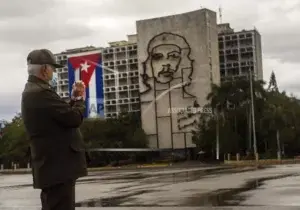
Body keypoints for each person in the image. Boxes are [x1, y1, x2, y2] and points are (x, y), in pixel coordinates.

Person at [21, 49, 88, 210]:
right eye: (53, 68)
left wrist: (72, 100)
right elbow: (73, 119)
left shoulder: (35, 91)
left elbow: (60, 116)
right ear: (44, 69)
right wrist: (79, 99)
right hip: (57, 167)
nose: (54, 72)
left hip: (53, 167)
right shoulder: (41, 93)